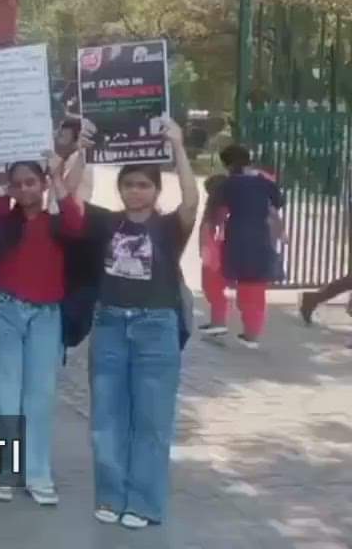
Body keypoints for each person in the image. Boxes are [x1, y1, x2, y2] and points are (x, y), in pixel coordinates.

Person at [68, 117, 198, 531]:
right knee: (107, 417)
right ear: (120, 189)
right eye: (129, 184)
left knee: (152, 419)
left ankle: (143, 502)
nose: (136, 190)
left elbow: (194, 202)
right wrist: (81, 151)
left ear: (157, 191)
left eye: (144, 184)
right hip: (109, 326)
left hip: (155, 328)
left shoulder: (167, 227)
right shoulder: (106, 222)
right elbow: (68, 198)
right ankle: (110, 494)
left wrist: (178, 147)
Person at [0, 156, 85, 507]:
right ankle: (2, 471)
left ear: (43, 183)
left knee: (40, 394)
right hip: (6, 310)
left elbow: (77, 223)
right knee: (5, 392)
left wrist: (58, 173)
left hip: (46, 315)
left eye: (31, 182)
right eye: (16, 183)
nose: (23, 189)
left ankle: (37, 472)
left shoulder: (56, 223)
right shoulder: (3, 218)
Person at [203, 145, 283, 348]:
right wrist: (278, 236)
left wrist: (209, 238)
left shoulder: (228, 185)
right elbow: (274, 210)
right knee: (254, 286)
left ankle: (219, 321)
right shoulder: (265, 182)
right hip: (260, 237)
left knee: (219, 278)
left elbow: (218, 214)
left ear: (226, 164)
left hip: (236, 236)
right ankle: (252, 335)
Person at [198, 175, 230, 335]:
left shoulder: (218, 209)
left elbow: (211, 230)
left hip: (214, 252)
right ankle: (216, 321)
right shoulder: (221, 207)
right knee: (213, 288)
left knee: (213, 288)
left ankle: (219, 322)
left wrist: (206, 251)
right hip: (215, 251)